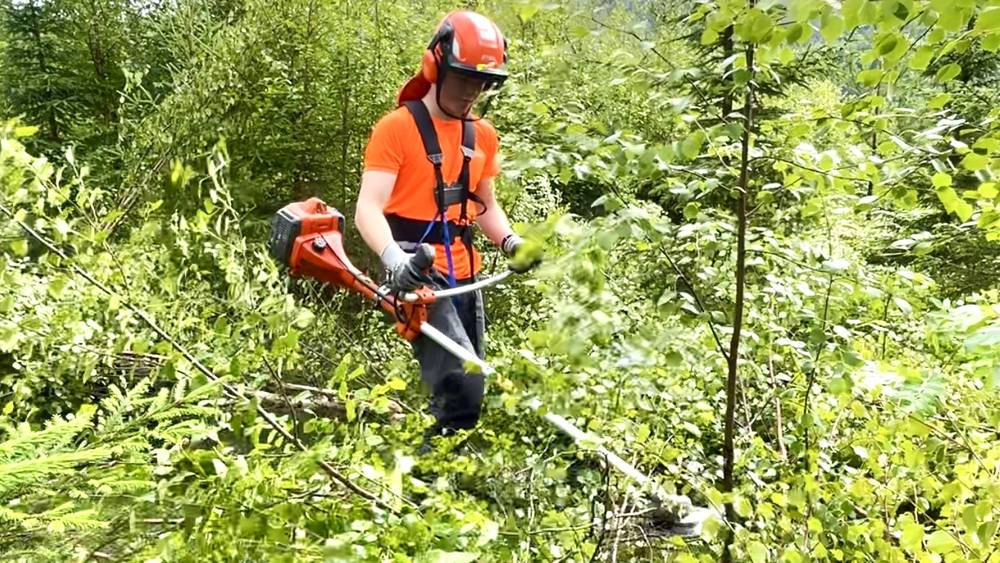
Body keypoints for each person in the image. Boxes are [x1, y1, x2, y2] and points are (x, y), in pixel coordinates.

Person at [354, 10, 537, 449]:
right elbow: (367, 209)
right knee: (464, 389)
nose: (472, 91)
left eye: (481, 83)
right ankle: (415, 492)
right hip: (414, 272)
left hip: (464, 274)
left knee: (467, 387)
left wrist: (511, 242)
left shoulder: (482, 136)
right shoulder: (397, 128)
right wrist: (395, 261)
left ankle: (439, 477)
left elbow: (485, 206)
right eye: (462, 79)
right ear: (437, 66)